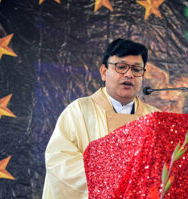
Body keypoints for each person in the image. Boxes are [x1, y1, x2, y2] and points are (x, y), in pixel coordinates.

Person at [42, 38, 159, 199]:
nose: (129, 74)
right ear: (104, 72)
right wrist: (112, 173)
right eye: (121, 67)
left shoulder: (156, 119)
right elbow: (60, 162)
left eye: (137, 69)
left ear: (143, 75)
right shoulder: (79, 112)